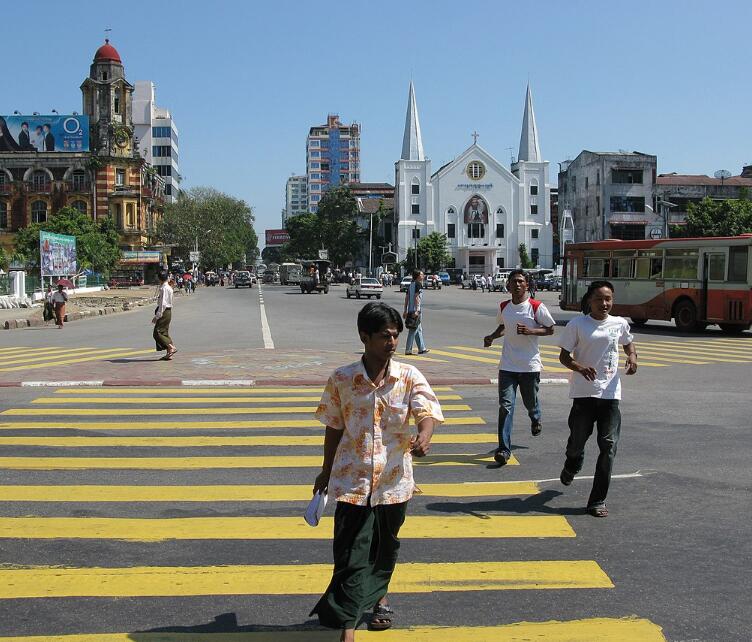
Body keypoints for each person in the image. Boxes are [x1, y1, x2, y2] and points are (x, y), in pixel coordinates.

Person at [310, 302, 444, 641]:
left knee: (385, 548)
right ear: (364, 337)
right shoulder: (342, 378)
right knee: (350, 551)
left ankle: (379, 598)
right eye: (385, 336)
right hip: (352, 479)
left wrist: (425, 435)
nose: (392, 342)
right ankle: (349, 624)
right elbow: (333, 426)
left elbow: (425, 410)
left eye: (396, 335)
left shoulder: (409, 376)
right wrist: (325, 471)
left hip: (393, 482)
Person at [557, 280, 637, 518]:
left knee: (609, 447)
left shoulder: (619, 323)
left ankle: (597, 500)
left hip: (610, 395)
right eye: (600, 299)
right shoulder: (578, 324)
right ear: (589, 300)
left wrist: (632, 358)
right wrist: (579, 367)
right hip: (583, 394)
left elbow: (628, 344)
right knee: (576, 443)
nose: (605, 303)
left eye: (608, 299)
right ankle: (572, 463)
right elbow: (563, 356)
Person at [483, 269, 555, 465]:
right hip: (507, 366)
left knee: (530, 402)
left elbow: (550, 329)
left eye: (520, 281)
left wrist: (531, 330)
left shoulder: (535, 306)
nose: (516, 285)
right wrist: (491, 337)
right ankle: (504, 450)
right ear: (508, 285)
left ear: (527, 285)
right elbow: (502, 327)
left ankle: (535, 417)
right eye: (513, 281)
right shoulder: (504, 306)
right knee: (506, 406)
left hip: (529, 366)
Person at [403, 269, 429, 355]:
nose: (423, 276)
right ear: (418, 276)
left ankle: (422, 348)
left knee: (418, 329)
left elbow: (407, 298)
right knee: (413, 330)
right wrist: (417, 310)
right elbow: (416, 297)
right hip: (415, 311)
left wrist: (405, 310)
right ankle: (408, 349)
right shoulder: (418, 284)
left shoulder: (411, 284)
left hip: (410, 310)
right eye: (422, 274)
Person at [152, 270, 177, 360]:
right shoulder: (168, 287)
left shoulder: (164, 288)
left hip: (164, 311)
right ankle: (169, 351)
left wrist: (157, 316)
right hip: (167, 311)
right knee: (164, 332)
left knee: (157, 332)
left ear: (159, 279)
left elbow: (163, 303)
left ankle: (170, 347)